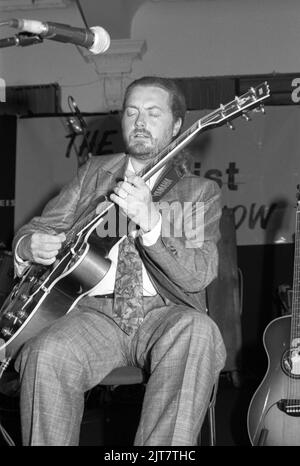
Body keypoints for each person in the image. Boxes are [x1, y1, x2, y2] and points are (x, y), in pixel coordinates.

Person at [12, 76, 226, 446]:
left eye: (153, 113)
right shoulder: (94, 173)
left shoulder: (198, 192)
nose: (140, 121)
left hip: (164, 312)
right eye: (132, 112)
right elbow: (37, 228)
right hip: (92, 314)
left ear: (176, 125)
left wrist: (153, 223)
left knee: (199, 331)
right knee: (45, 353)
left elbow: (199, 275)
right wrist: (28, 246)